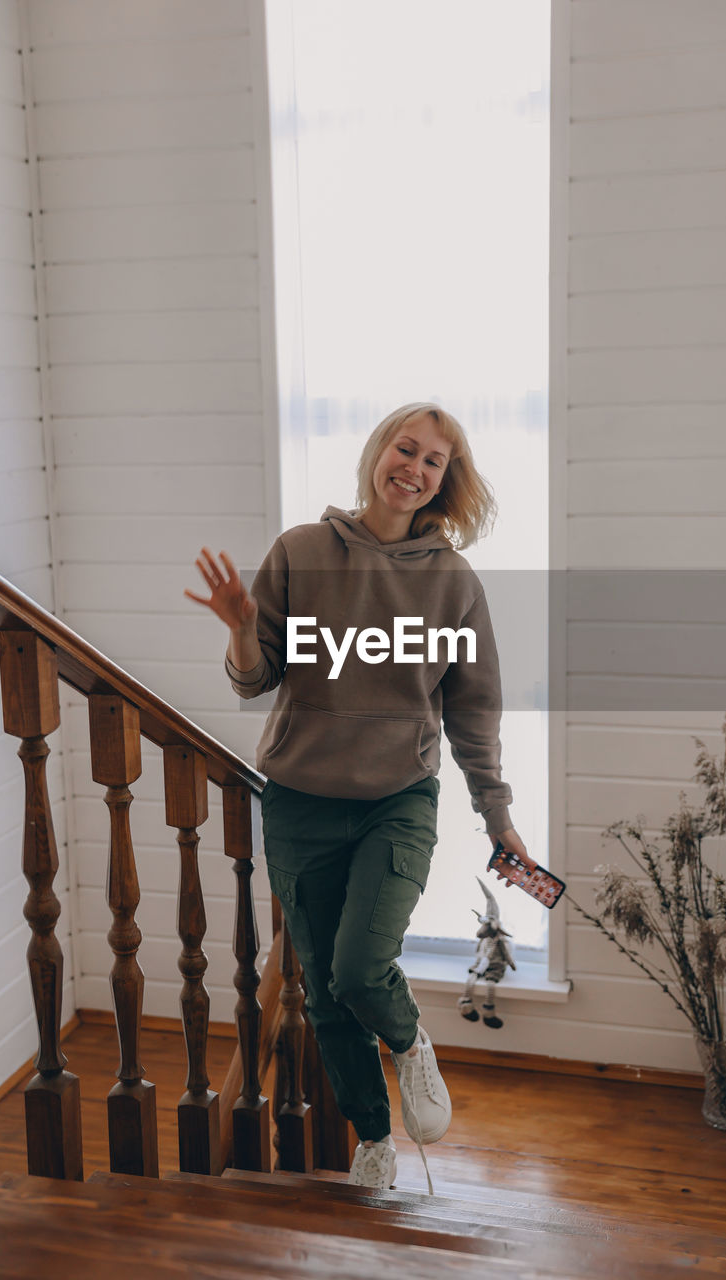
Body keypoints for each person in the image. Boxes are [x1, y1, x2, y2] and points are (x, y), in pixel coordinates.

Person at [186, 402, 532, 1193]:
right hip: (301, 801)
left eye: (433, 461)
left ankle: (411, 1045)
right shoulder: (303, 552)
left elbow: (473, 713)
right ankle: (372, 1142)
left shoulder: (453, 583)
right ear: (378, 453)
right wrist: (241, 627)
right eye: (404, 449)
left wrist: (499, 817)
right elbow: (255, 677)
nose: (413, 467)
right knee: (328, 994)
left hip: (397, 800)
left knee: (359, 964)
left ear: (446, 481)